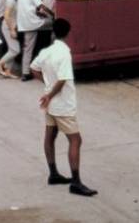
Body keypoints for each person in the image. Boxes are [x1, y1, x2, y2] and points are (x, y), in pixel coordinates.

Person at [31, 18, 97, 197]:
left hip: (49, 105)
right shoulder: (64, 53)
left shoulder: (47, 51)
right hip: (62, 104)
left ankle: (53, 173)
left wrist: (46, 86)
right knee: (76, 140)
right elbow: (63, 79)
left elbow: (33, 68)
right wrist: (51, 93)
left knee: (50, 136)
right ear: (68, 33)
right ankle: (76, 182)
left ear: (53, 32)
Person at [17, 0, 54, 81]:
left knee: (28, 48)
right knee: (53, 24)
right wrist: (52, 14)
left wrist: (39, 14)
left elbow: (30, 9)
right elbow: (43, 7)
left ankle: (25, 72)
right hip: (34, 24)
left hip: (24, 24)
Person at [0, 0, 24, 78]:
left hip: (12, 26)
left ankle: (7, 70)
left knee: (12, 49)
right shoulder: (11, 0)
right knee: (16, 50)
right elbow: (6, 15)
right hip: (8, 27)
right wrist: (11, 30)